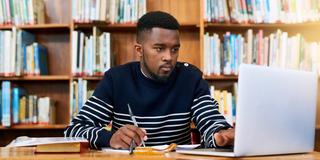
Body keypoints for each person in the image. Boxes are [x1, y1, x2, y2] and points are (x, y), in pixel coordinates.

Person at [64, 11, 234, 149]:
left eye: (174, 49)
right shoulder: (116, 79)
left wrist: (220, 136)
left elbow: (210, 121)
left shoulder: (190, 78)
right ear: (139, 50)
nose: (168, 57)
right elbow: (73, 131)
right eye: (159, 48)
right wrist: (110, 138)